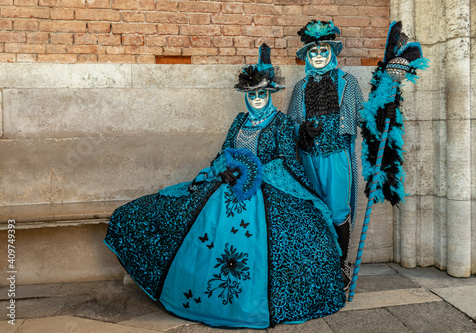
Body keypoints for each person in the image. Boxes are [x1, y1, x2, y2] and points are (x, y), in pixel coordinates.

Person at [104, 44, 346, 329]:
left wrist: (262, 171)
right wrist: (224, 169)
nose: (257, 99)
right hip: (225, 188)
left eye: (262, 94)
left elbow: (287, 160)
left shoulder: (281, 123)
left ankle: (257, 305)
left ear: (270, 95)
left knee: (300, 236)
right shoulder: (239, 121)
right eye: (252, 94)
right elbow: (224, 153)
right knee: (168, 214)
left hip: (267, 192)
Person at [287, 20, 366, 289]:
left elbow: (363, 117)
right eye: (313, 53)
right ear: (306, 56)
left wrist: (386, 110)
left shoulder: (348, 83)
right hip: (308, 157)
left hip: (336, 156)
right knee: (312, 210)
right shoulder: (300, 87)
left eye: (323, 52)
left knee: (337, 210)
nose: (318, 57)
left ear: (332, 53)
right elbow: (291, 124)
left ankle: (340, 264)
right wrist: (303, 131)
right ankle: (316, 263)